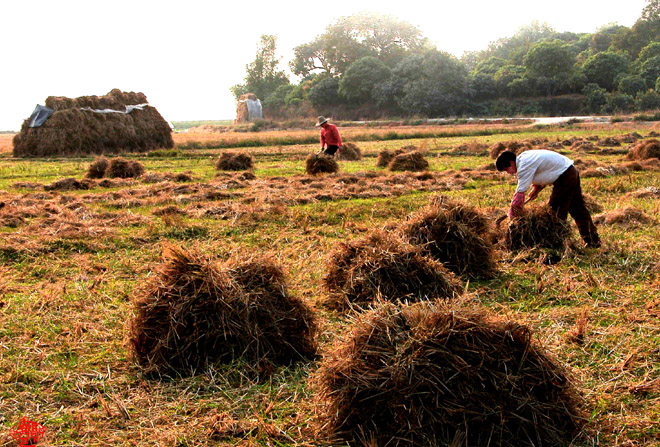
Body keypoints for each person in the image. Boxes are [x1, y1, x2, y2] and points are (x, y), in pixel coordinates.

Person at [496, 149, 601, 248]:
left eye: (506, 169)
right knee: (577, 208)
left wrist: (513, 213)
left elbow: (519, 194)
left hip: (565, 176)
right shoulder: (524, 158)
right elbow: (543, 171)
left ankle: (556, 242)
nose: (508, 173)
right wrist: (535, 190)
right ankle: (592, 241)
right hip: (570, 171)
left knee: (555, 211)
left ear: (511, 162)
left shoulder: (524, 165)